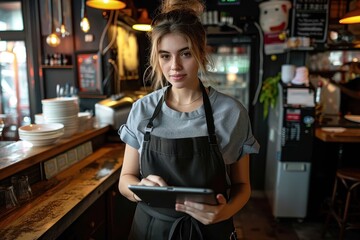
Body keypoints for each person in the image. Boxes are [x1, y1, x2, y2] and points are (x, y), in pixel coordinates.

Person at [118, 5, 259, 240]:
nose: (175, 66)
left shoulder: (231, 112)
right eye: (165, 56)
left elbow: (242, 186)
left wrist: (225, 212)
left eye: (185, 53)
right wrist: (142, 190)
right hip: (151, 230)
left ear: (202, 53)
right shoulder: (142, 109)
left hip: (211, 231)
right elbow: (125, 180)